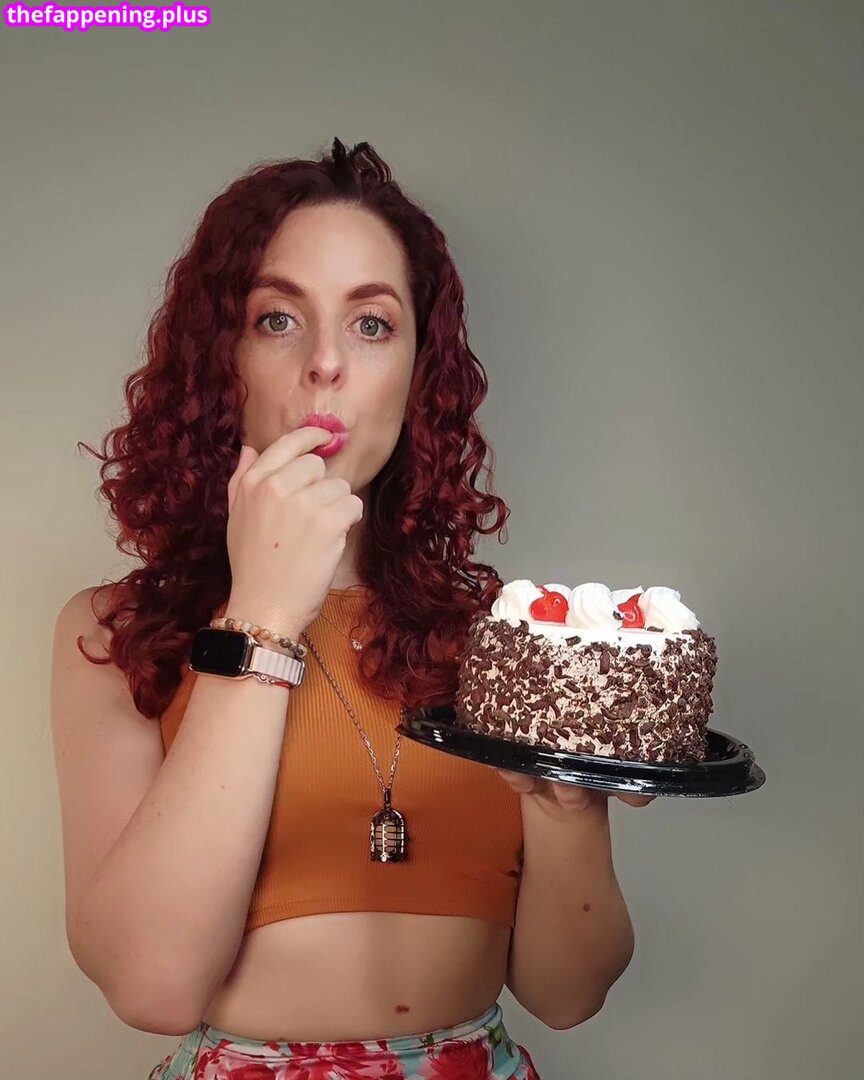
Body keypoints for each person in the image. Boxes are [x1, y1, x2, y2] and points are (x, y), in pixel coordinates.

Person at [50, 138, 652, 1080]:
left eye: (372, 324)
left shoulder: (506, 638)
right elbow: (150, 987)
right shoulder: (115, 632)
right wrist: (263, 613)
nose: (326, 363)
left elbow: (569, 993)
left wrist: (570, 805)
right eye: (277, 319)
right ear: (222, 359)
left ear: (418, 371)